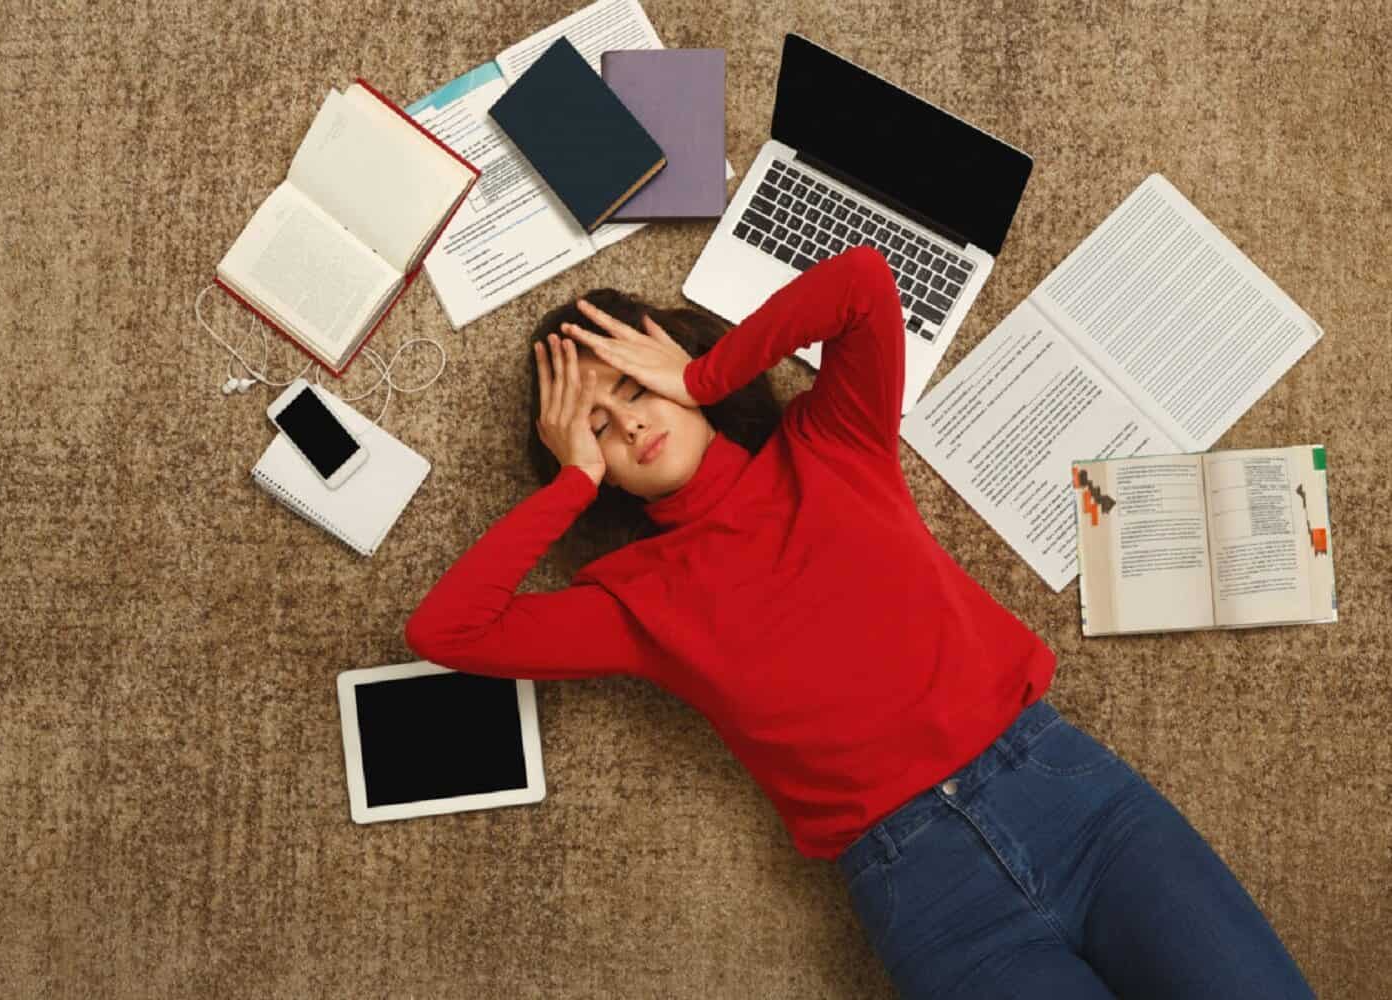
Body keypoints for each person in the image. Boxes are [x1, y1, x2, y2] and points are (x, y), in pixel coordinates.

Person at [404, 248, 1315, 999]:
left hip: (1072, 802)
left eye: (633, 388)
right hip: (928, 895)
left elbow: (864, 285)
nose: (630, 422)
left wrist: (699, 369)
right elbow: (449, 632)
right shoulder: (629, 601)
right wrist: (569, 484)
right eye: (596, 425)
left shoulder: (828, 439)